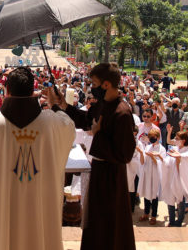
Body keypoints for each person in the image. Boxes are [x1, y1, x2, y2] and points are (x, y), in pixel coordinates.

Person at [0, 67, 75, 250]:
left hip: (1, 203)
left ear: (6, 90)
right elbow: (69, 127)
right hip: (39, 202)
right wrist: (56, 105)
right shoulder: (54, 123)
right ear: (33, 91)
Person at [49, 62, 136, 250]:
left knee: (110, 221)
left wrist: (99, 134)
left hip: (112, 176)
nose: (91, 87)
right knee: (96, 219)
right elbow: (87, 120)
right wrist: (63, 106)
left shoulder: (122, 113)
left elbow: (125, 154)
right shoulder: (102, 104)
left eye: (94, 83)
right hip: (99, 170)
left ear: (106, 84)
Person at [137, 128, 166, 225]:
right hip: (147, 173)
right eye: (150, 137)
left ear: (157, 137)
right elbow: (142, 162)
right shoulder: (147, 147)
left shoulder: (162, 149)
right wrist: (141, 153)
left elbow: (161, 163)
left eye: (153, 137)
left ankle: (153, 216)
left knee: (154, 195)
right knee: (146, 194)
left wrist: (153, 157)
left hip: (155, 175)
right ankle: (146, 213)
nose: (151, 139)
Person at [162, 129, 188, 227]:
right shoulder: (175, 148)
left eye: (177, 139)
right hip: (171, 177)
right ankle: (171, 220)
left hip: (181, 179)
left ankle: (179, 221)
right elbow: (167, 161)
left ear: (183, 140)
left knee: (180, 201)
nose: (175, 140)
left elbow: (186, 166)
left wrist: (178, 159)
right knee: (170, 199)